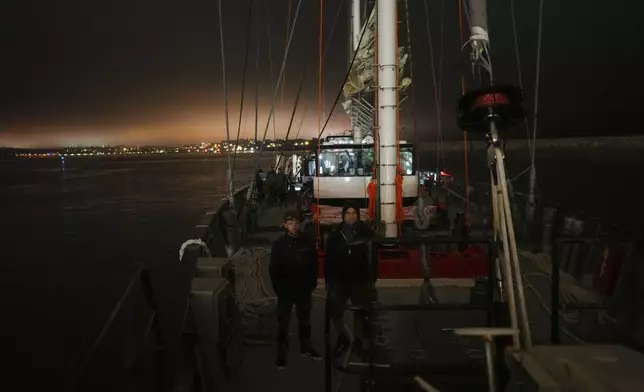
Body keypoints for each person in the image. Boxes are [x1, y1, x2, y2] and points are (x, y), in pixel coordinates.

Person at [269, 211, 322, 369]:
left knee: (304, 320)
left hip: (303, 289)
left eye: (296, 223)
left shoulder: (307, 241)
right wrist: (279, 289)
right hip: (285, 290)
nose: (294, 226)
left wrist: (311, 284)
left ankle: (306, 347)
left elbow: (314, 264)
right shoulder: (279, 245)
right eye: (290, 223)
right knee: (283, 322)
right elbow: (273, 269)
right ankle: (282, 353)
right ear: (285, 225)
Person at [324, 202, 375, 358]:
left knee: (360, 311)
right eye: (348, 213)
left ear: (358, 215)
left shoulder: (367, 234)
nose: (351, 216)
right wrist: (329, 281)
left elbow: (373, 258)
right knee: (335, 310)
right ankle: (343, 337)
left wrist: (372, 279)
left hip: (360, 280)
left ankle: (359, 340)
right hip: (340, 281)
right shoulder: (335, 236)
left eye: (354, 213)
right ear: (343, 215)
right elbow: (329, 260)